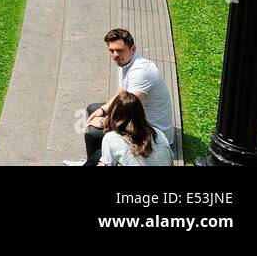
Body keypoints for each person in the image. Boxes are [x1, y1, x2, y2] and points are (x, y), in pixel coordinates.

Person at [67, 28, 176, 166]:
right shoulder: (125, 61)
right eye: (111, 50)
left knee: (93, 132)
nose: (115, 55)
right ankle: (99, 158)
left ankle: (99, 160)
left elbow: (129, 107)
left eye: (119, 50)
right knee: (92, 109)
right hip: (137, 117)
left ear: (132, 49)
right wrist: (102, 110)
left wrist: (104, 122)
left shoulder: (140, 71)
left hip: (149, 129)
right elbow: (121, 94)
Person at [96, 92, 174, 167]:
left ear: (114, 113)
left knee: (96, 157)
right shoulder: (158, 133)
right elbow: (171, 162)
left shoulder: (111, 138)